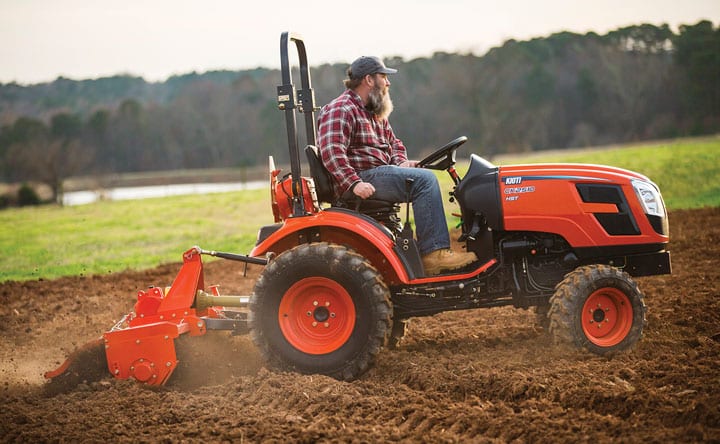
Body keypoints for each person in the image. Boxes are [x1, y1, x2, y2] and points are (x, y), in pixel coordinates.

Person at [317, 55, 477, 275]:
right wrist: (354, 183)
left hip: (377, 174)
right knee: (426, 181)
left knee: (422, 174)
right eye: (384, 76)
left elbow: (394, 144)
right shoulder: (341, 109)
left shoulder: (373, 112)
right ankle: (434, 254)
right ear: (369, 80)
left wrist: (401, 163)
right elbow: (331, 152)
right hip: (364, 178)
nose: (388, 82)